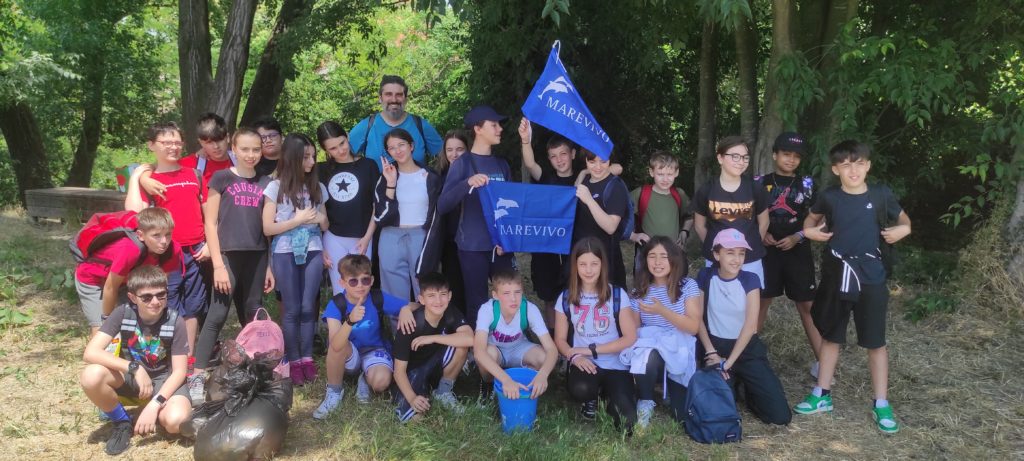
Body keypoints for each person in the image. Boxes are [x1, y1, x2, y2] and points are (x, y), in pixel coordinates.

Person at [793, 140, 911, 434]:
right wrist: (810, 232)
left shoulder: (881, 194)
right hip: (838, 273)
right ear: (836, 169)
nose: (853, 170)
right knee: (831, 335)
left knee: (875, 341)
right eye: (845, 165)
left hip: (872, 276)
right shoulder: (829, 197)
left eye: (858, 163)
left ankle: (881, 402)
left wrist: (904, 229)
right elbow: (810, 221)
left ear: (868, 165)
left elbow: (904, 220)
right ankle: (822, 394)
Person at [190, 128, 275, 404]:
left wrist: (269, 266)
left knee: (253, 315)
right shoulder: (222, 177)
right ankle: (196, 376)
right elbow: (210, 223)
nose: (251, 155)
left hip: (257, 256)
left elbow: (267, 229)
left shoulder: (266, 182)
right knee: (216, 315)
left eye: (256, 149)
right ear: (234, 149)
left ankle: (256, 373)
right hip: (228, 256)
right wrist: (218, 265)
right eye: (245, 149)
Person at [519, 118, 623, 328]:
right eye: (553, 156)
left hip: (576, 244)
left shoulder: (586, 175)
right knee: (550, 295)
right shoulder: (546, 177)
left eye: (563, 154)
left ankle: (576, 333)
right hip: (548, 246)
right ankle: (554, 335)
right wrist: (525, 140)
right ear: (549, 159)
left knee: (575, 293)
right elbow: (530, 164)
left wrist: (585, 172)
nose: (559, 160)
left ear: (573, 154)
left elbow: (616, 168)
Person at [79, 265, 192, 456]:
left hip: (164, 381)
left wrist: (155, 404)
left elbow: (180, 371)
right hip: (132, 378)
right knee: (91, 376)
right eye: (146, 297)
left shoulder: (175, 321)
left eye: (161, 295)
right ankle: (122, 422)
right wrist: (134, 368)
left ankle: (147, 411)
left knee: (175, 423)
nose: (155, 302)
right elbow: (90, 353)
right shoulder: (123, 313)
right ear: (133, 298)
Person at [125, 122, 209, 357]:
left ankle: (187, 357)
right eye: (166, 142)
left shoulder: (194, 174)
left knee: (193, 306)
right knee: (163, 303)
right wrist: (137, 177)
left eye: (177, 142)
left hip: (197, 251)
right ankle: (163, 356)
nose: (173, 147)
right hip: (165, 252)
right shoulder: (150, 179)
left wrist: (210, 244)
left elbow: (208, 214)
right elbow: (134, 212)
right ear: (152, 145)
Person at [696, 229, 791, 426]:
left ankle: (747, 389)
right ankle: (733, 382)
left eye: (741, 253)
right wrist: (711, 352)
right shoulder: (705, 276)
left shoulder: (750, 280)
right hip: (715, 348)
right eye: (730, 253)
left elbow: (750, 326)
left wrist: (728, 363)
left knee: (780, 416)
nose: (737, 259)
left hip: (746, 349)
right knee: (720, 408)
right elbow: (697, 318)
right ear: (716, 254)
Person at [437, 105, 516, 327]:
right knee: (477, 302)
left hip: (500, 246)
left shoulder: (502, 164)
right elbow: (443, 205)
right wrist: (467, 183)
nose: (500, 129)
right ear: (478, 129)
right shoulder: (462, 164)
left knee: (509, 297)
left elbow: (513, 208)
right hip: (472, 246)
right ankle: (478, 344)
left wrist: (508, 241)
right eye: (494, 125)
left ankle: (508, 338)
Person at [314, 254, 416, 419]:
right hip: (349, 353)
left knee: (381, 383)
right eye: (353, 281)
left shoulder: (376, 297)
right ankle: (334, 392)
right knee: (337, 345)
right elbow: (335, 345)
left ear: (372, 280)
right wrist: (350, 321)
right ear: (342, 283)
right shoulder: (337, 304)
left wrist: (405, 309)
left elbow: (415, 305)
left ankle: (365, 378)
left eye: (365, 280)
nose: (360, 286)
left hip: (374, 350)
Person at [754, 132, 822, 378]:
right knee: (760, 302)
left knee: (807, 304)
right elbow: (747, 214)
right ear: (774, 155)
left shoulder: (808, 184)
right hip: (765, 252)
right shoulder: (758, 182)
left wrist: (799, 236)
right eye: (786, 154)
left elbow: (820, 219)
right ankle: (745, 358)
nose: (791, 160)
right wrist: (761, 234)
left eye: (796, 156)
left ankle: (823, 363)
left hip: (798, 251)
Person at [262, 133, 328, 385]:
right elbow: (268, 228)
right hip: (285, 251)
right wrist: (297, 220)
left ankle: (307, 357)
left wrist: (320, 219)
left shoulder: (317, 187)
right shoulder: (275, 187)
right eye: (306, 157)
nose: (311, 162)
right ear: (292, 158)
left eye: (313, 156)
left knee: (308, 306)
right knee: (291, 308)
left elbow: (325, 224)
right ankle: (293, 358)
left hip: (313, 249)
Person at [553, 237, 638, 430]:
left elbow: (630, 337)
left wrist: (591, 350)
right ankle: (591, 397)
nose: (588, 270)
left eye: (594, 264)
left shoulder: (617, 294)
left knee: (627, 421)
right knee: (581, 388)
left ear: (602, 265)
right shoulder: (566, 297)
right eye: (583, 264)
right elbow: (560, 339)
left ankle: (609, 394)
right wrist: (574, 356)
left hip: (616, 364)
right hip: (585, 363)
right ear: (575, 266)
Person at [624, 236, 702, 428]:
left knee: (681, 416)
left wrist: (662, 311)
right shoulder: (639, 291)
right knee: (646, 353)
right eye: (652, 256)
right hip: (653, 352)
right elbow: (635, 331)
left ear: (673, 259)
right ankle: (645, 400)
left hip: (679, 346)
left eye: (663, 256)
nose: (657, 262)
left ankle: (670, 390)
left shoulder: (688, 286)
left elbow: (693, 327)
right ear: (645, 260)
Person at [74, 208, 183, 337]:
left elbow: (158, 286)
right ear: (140, 235)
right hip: (93, 278)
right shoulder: (130, 249)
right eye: (156, 235)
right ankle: (98, 348)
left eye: (168, 234)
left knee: (135, 322)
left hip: (126, 281)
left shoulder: (173, 250)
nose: (164, 241)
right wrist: (108, 320)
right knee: (102, 329)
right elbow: (110, 288)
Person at [392, 272, 472, 422]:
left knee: (461, 345)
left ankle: (443, 391)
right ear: (421, 299)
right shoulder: (410, 324)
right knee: (416, 416)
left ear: (449, 296)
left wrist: (432, 338)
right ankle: (421, 391)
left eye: (443, 294)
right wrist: (412, 398)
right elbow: (398, 372)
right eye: (431, 296)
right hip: (413, 371)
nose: (438, 301)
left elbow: (470, 338)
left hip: (435, 362)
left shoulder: (449, 311)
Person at [374, 128, 442, 300]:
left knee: (425, 286)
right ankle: (398, 318)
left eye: (401, 145)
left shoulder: (430, 176)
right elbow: (380, 217)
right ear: (388, 152)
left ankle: (426, 319)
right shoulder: (385, 177)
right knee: (393, 291)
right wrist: (391, 183)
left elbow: (439, 213)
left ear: (411, 146)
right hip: (391, 236)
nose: (397, 150)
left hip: (421, 234)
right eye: (392, 148)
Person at [692, 136, 770, 286]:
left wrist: (750, 245)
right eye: (735, 156)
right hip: (717, 259)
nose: (741, 162)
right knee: (716, 297)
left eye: (745, 157)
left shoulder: (755, 188)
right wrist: (718, 250)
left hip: (750, 259)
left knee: (750, 297)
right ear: (720, 158)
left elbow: (764, 222)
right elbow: (699, 226)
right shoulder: (707, 189)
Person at [473, 269, 558, 401]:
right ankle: (488, 383)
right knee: (487, 354)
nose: (513, 298)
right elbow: (478, 352)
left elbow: (552, 349)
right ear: (495, 295)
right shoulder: (487, 309)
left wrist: (543, 374)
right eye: (506, 293)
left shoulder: (529, 309)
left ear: (522, 292)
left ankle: (527, 381)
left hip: (518, 347)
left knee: (543, 357)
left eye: (517, 292)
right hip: (496, 350)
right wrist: (506, 380)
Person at [316, 121, 380, 295]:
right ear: (325, 150)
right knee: (340, 290)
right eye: (333, 148)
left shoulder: (368, 165)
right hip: (333, 238)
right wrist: (321, 246)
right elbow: (317, 209)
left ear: (347, 137)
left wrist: (367, 238)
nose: (340, 150)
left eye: (342, 143)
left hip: (363, 238)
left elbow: (377, 206)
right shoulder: (320, 170)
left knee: (361, 289)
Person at [348, 75, 443, 170]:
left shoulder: (421, 125)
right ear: (380, 98)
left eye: (399, 95)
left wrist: (434, 176)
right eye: (388, 94)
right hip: (376, 180)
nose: (394, 99)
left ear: (406, 99)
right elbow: (344, 157)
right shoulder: (366, 126)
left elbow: (445, 157)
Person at [573, 149, 631, 287]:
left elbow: (611, 227)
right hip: (583, 255)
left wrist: (589, 200)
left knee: (607, 297)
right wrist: (583, 173)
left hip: (605, 258)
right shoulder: (585, 180)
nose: (598, 167)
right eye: (592, 162)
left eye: (603, 161)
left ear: (610, 161)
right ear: (586, 161)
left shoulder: (615, 186)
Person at [629, 151, 693, 265]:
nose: (665, 179)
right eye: (660, 174)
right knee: (644, 277)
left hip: (672, 252)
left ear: (676, 173)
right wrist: (633, 235)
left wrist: (684, 231)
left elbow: (690, 216)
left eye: (669, 174)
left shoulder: (679, 194)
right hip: (646, 252)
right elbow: (618, 215)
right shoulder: (641, 193)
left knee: (674, 276)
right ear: (651, 172)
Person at [432, 130, 469, 316]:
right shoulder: (438, 176)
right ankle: (457, 323)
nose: (454, 154)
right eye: (449, 150)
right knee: (453, 285)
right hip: (448, 241)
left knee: (472, 285)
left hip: (472, 240)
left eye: (460, 149)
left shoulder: (475, 173)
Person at [180, 113, 235, 193]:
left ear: (228, 138)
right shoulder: (192, 163)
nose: (216, 146)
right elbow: (163, 169)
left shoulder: (241, 160)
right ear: (201, 142)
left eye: (219, 140)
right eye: (209, 142)